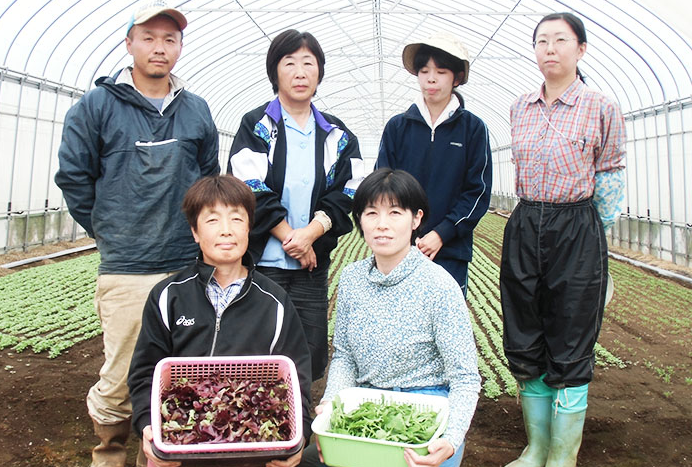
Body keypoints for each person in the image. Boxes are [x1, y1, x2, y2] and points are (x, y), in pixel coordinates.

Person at [53, 3, 220, 466]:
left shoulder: (197, 110)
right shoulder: (97, 106)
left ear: (181, 48)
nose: (159, 48)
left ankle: (173, 453)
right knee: (124, 372)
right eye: (149, 37)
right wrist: (108, 228)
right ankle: (109, 453)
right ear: (129, 43)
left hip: (187, 264)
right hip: (127, 266)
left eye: (170, 39)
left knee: (186, 369)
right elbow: (73, 177)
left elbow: (208, 182)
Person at [500, 12, 626, 467]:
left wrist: (596, 241)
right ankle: (535, 448)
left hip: (577, 225)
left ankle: (561, 455)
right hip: (526, 218)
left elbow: (610, 175)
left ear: (581, 49)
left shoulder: (600, 106)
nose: (549, 48)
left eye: (560, 40)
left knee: (571, 334)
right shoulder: (518, 107)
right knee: (525, 330)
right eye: (541, 41)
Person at [300, 168, 481, 467]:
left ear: (416, 219)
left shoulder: (438, 285)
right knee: (308, 461)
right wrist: (332, 406)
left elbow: (464, 378)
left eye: (395, 213)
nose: (382, 225)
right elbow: (345, 356)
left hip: (426, 416)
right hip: (367, 409)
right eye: (371, 213)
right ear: (359, 219)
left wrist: (449, 439)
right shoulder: (352, 279)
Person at [128, 175, 312, 467]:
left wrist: (299, 435)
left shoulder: (274, 301)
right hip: (180, 449)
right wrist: (146, 426)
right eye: (212, 220)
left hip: (252, 451)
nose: (226, 231)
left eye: (237, 219)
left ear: (249, 227)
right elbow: (144, 372)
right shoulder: (168, 296)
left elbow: (296, 377)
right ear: (195, 232)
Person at [228, 29, 364, 382]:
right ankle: (260, 430)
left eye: (309, 63)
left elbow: (347, 192)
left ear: (320, 72)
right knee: (257, 353)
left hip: (310, 267)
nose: (300, 72)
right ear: (275, 71)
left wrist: (311, 235)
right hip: (261, 263)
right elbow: (250, 187)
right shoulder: (257, 125)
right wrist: (293, 239)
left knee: (307, 351)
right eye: (289, 63)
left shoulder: (338, 134)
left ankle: (298, 432)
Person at [376, 32, 492, 297]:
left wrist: (443, 233)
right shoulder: (398, 126)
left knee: (445, 326)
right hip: (400, 249)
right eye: (424, 70)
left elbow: (477, 192)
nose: (431, 78)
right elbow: (383, 183)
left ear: (457, 78)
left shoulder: (472, 129)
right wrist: (403, 234)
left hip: (450, 249)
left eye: (440, 71)